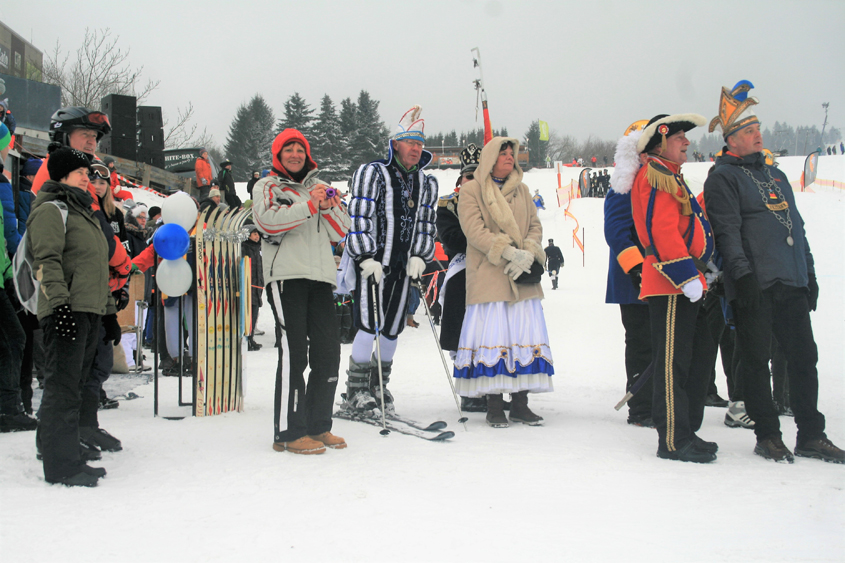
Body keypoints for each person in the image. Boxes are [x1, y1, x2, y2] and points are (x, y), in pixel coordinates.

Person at [704, 81, 843, 464]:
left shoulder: (775, 176)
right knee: (754, 362)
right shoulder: (723, 177)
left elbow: (795, 228)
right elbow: (728, 233)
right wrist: (742, 277)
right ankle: (767, 434)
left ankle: (811, 434)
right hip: (755, 285)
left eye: (758, 128)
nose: (758, 135)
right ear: (731, 140)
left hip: (791, 282)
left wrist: (808, 272)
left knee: (803, 359)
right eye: (749, 131)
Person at [252, 128, 350, 455]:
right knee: (294, 352)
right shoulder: (267, 186)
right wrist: (310, 204)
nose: (295, 154)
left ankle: (318, 425)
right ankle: (288, 431)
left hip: (321, 277)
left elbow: (341, 231)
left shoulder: (316, 188)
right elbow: (267, 222)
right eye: (288, 149)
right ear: (278, 156)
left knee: (328, 352)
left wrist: (330, 204)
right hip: (286, 277)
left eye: (299, 149)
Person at [340, 106, 438, 417]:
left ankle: (379, 385)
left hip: (402, 266)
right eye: (410, 142)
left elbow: (426, 222)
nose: (415, 148)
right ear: (395, 143)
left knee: (393, 328)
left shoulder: (426, 183)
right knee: (369, 324)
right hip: (374, 264)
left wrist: (421, 256)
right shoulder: (374, 173)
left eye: (420, 144)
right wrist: (366, 256)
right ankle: (356, 391)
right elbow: (360, 215)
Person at [29, 147, 119, 486]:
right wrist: (59, 306)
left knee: (76, 387)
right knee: (62, 388)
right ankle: (60, 465)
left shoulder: (83, 213)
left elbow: (97, 268)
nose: (88, 178)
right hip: (66, 311)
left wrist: (109, 312)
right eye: (82, 173)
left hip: (89, 310)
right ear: (63, 175)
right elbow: (47, 262)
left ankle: (69, 452)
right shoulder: (52, 210)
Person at [631, 113, 716, 463]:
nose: (686, 142)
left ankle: (682, 431)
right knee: (671, 364)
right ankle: (671, 440)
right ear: (660, 141)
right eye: (679, 136)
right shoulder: (656, 176)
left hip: (683, 282)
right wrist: (685, 276)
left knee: (682, 361)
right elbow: (661, 232)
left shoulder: (671, 176)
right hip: (669, 283)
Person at [453, 137, 554, 428]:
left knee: (522, 338)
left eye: (513, 153)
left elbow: (535, 225)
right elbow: (474, 230)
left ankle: (521, 405)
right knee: (495, 339)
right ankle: (494, 406)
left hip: (522, 277)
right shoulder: (472, 190)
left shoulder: (522, 191)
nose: (510, 157)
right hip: (490, 276)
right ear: (490, 158)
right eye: (504, 153)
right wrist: (507, 252)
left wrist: (529, 251)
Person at [605, 119, 654, 428]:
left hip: (658, 276)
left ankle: (654, 400)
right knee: (640, 342)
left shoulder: (654, 180)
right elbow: (617, 230)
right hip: (633, 280)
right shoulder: (624, 184)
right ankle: (640, 406)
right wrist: (637, 269)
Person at [437, 143, 483, 412]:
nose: (472, 180)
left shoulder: (494, 201)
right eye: (468, 176)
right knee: (465, 332)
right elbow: (451, 238)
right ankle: (468, 390)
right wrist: (482, 237)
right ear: (460, 179)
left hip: (492, 272)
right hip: (462, 270)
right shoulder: (447, 204)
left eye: (478, 175)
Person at [0, 123, 36, 433]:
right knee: (14, 338)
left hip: (4, 275)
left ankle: (10, 406)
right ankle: (8, 408)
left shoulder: (3, 181)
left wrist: (10, 273)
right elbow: (10, 234)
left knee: (14, 338)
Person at [241, 224, 264, 351]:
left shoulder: (259, 248)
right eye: (254, 234)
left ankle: (251, 338)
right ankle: (246, 338)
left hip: (257, 287)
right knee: (246, 313)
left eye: (257, 234)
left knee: (254, 313)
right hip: (248, 286)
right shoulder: (243, 248)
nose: (257, 236)